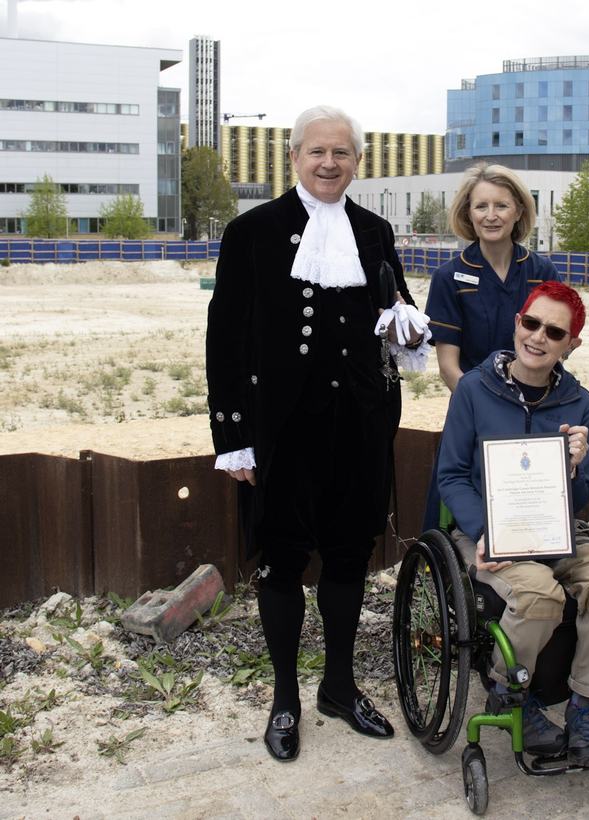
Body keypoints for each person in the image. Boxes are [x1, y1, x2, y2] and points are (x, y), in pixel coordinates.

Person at [206, 105, 426, 763]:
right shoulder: (253, 231)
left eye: (342, 153)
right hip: (281, 434)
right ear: (295, 157)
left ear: (357, 161)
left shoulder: (375, 229)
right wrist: (233, 437)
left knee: (349, 557)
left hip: (357, 430)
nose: (329, 163)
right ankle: (284, 699)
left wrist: (407, 325)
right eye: (317, 152)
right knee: (280, 561)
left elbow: (394, 308)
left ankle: (338, 686)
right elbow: (225, 338)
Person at [437, 281, 589, 767]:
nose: (539, 337)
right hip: (488, 531)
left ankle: (587, 702)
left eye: (554, 331)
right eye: (532, 323)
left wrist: (573, 469)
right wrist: (484, 532)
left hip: (556, 531)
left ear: (571, 344)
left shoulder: (578, 403)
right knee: (539, 593)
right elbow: (453, 475)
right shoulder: (473, 391)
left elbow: (583, 495)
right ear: (517, 322)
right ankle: (512, 694)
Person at [423, 163, 558, 528]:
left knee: (532, 514)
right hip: (472, 415)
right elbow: (449, 365)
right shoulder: (449, 277)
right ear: (468, 212)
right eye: (481, 206)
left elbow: (557, 345)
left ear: (518, 210)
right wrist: (485, 409)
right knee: (461, 519)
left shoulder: (542, 273)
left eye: (501, 205)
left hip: (534, 411)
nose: (491, 215)